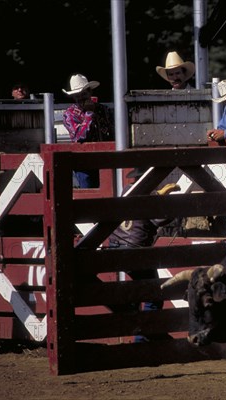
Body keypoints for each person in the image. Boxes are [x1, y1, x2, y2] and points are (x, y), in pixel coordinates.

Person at [108, 168, 180, 342]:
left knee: (134, 295)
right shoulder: (148, 196)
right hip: (135, 252)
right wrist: (174, 206)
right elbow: (159, 220)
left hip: (114, 247)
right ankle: (144, 337)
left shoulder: (126, 190)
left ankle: (145, 331)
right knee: (154, 294)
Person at [62, 73, 114, 188]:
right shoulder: (69, 114)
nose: (81, 98)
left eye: (84, 93)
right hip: (83, 163)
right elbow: (79, 137)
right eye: (77, 95)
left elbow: (112, 133)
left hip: (105, 160)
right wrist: (89, 114)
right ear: (73, 97)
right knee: (88, 193)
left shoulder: (104, 110)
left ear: (90, 92)